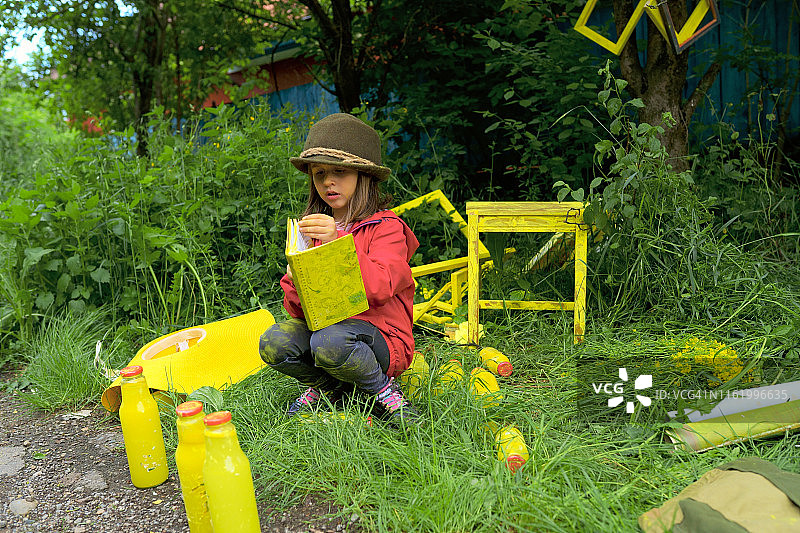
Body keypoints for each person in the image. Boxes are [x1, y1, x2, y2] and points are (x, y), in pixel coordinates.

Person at [259, 113, 421, 426]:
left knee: (329, 341)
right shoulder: (314, 231)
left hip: (383, 339)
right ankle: (330, 388)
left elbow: (381, 286)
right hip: (327, 334)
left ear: (364, 175)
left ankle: (383, 391)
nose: (327, 182)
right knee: (275, 341)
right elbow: (299, 312)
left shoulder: (386, 228)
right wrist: (296, 280)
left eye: (339, 171)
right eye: (319, 173)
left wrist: (337, 246)